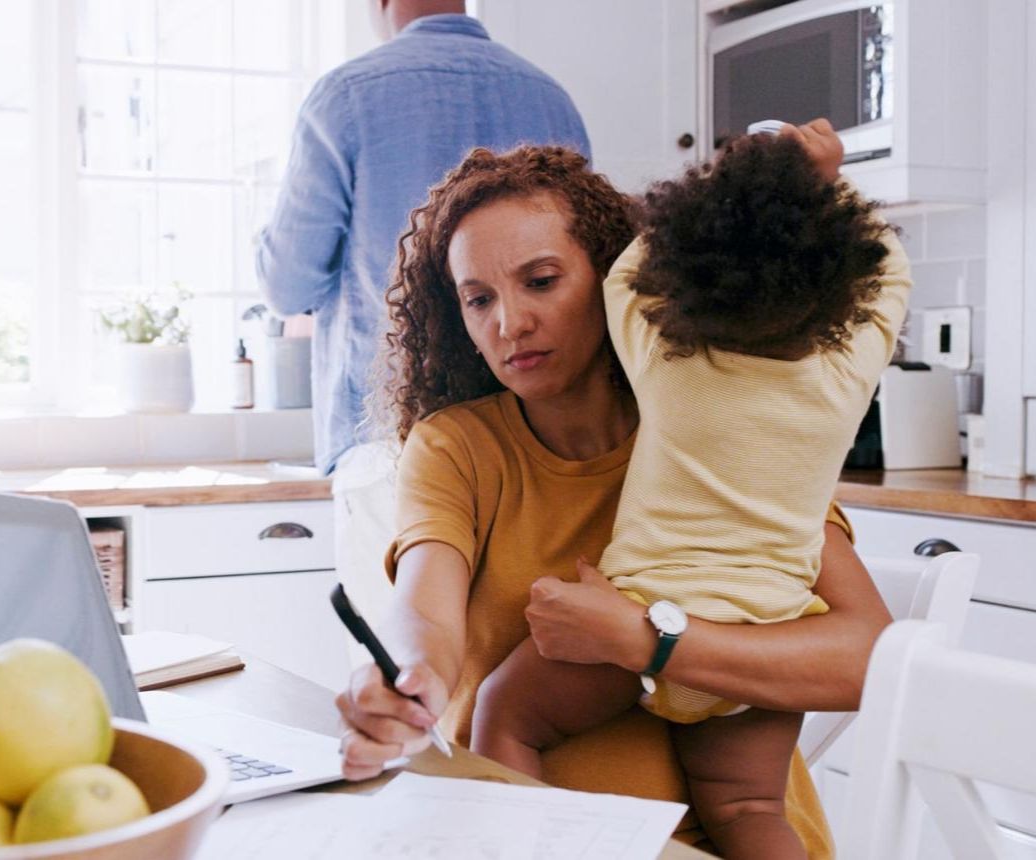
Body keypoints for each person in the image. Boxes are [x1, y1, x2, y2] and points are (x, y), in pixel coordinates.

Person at [338, 144, 893, 857]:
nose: (509, 323)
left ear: (611, 278)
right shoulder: (457, 447)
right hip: (529, 839)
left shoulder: (716, 420)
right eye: (479, 299)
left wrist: (646, 640)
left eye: (541, 281)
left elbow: (870, 656)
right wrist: (407, 677)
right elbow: (425, 613)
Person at [255, 0, 590, 640]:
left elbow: (287, 283)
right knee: (519, 681)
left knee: (407, 684)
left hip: (393, 438)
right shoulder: (551, 97)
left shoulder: (345, 95)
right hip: (537, 441)